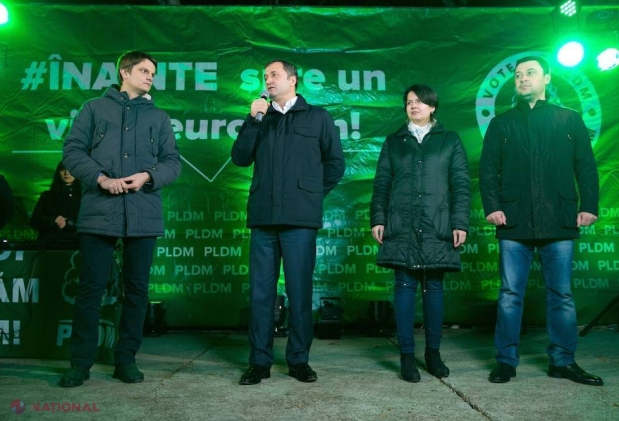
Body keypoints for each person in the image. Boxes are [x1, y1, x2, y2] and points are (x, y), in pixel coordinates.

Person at [59, 50, 181, 387]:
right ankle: (80, 363)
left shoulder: (159, 117)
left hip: (143, 212)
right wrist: (100, 178)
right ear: (124, 72)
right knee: (90, 289)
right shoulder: (94, 109)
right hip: (100, 211)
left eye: (153, 72)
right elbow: (72, 151)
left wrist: (148, 176)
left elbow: (173, 162)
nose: (150, 76)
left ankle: (125, 359)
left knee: (137, 290)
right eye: (144, 70)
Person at [480, 55, 602, 386]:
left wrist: (589, 205)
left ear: (547, 78)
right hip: (514, 220)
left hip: (559, 218)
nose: (523, 78)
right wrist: (492, 206)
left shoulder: (569, 119)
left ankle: (563, 361)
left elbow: (586, 167)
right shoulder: (501, 124)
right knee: (510, 294)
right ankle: (506, 361)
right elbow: (488, 170)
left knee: (561, 294)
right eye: (518, 75)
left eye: (530, 73)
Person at [231, 59, 345, 385]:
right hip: (264, 219)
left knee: (300, 291)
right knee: (260, 294)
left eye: (274, 74)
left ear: (292, 80)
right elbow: (239, 158)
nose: (268, 80)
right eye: (265, 76)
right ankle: (259, 362)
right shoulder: (260, 118)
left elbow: (335, 164)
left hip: (300, 221)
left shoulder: (318, 117)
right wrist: (252, 120)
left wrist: (309, 195)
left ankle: (299, 360)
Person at [370, 84, 470, 382]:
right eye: (409, 102)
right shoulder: (394, 141)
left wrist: (460, 222)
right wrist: (378, 218)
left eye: (420, 101)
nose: (413, 106)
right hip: (401, 224)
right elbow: (382, 183)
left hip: (437, 223)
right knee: (403, 287)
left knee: (434, 288)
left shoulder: (450, 140)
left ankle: (433, 353)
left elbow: (460, 184)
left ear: (432, 106)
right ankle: (406, 356)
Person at [30, 161, 81, 245]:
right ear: (58, 172)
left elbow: (92, 223)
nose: (66, 173)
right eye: (63, 169)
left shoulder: (84, 197)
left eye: (70, 169)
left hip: (77, 244)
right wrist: (52, 220)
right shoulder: (47, 196)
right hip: (49, 244)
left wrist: (69, 223)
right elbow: (34, 221)